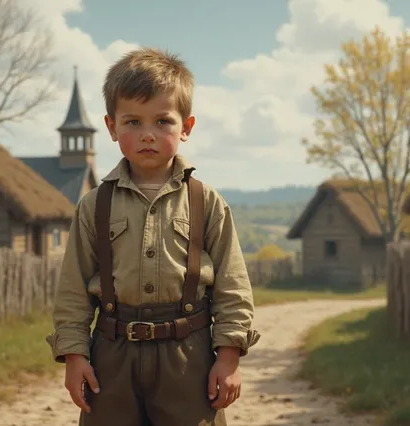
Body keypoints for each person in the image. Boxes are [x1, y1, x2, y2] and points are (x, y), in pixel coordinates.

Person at [46, 46, 260, 426]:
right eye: (133, 122)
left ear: (186, 128)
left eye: (163, 121)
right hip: (112, 354)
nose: (148, 135)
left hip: (187, 355)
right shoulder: (93, 206)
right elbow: (73, 290)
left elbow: (233, 284)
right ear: (111, 127)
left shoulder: (206, 202)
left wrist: (228, 357)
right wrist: (75, 357)